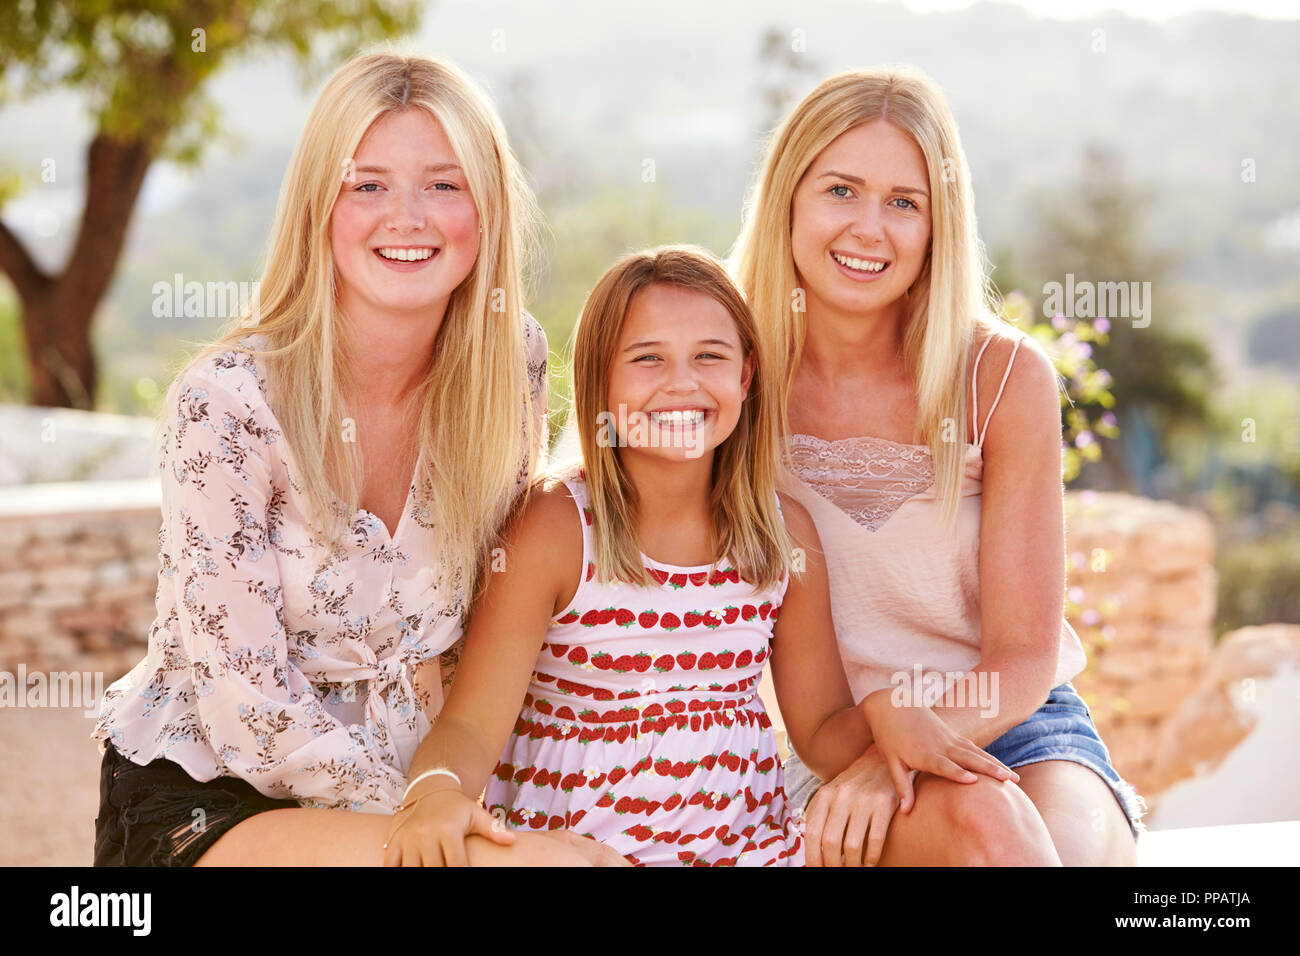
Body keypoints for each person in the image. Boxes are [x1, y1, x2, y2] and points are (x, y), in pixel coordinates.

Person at [90, 51, 605, 866]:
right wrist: (427, 816)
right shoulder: (226, 403)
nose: (407, 217)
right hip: (216, 800)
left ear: (488, 208)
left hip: (416, 790)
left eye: (444, 184)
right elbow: (246, 705)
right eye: (367, 185)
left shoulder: (513, 365)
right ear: (318, 208)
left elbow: (491, 630)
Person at [382, 246, 1019, 866]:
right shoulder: (556, 526)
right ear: (600, 380)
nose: (681, 384)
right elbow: (469, 725)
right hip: (585, 852)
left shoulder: (781, 534)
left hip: (750, 850)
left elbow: (822, 734)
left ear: (745, 376)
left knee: (985, 818)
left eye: (709, 357)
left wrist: (885, 711)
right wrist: (436, 793)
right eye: (647, 359)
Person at [731, 65, 1146, 866]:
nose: (869, 228)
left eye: (904, 203)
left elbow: (1023, 655)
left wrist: (910, 759)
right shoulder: (732, 374)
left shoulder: (1002, 378)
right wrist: (877, 753)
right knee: (991, 834)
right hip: (839, 739)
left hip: (1017, 722)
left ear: (937, 225)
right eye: (841, 190)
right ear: (789, 196)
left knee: (1065, 854)